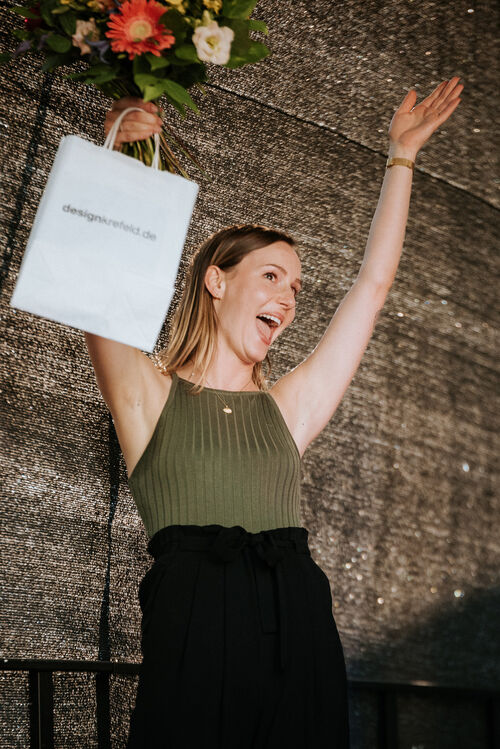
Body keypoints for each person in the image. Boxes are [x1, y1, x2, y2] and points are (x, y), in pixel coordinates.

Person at [87, 77, 463, 748]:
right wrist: (122, 150)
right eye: (271, 276)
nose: (288, 299)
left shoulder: (287, 409)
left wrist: (401, 158)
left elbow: (372, 288)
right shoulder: (148, 394)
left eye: (295, 287)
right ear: (217, 280)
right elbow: (99, 287)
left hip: (297, 623)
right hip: (194, 627)